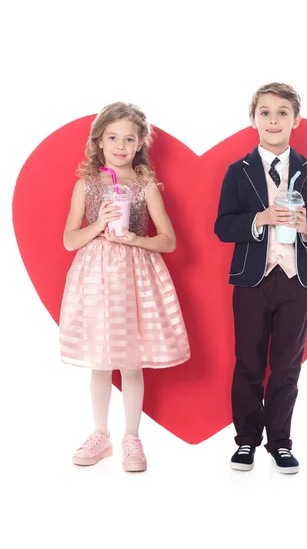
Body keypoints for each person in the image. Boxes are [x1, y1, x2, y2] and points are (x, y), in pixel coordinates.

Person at [60, 102, 190, 471]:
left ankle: (131, 437)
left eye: (128, 139)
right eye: (112, 137)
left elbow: (169, 240)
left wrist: (136, 239)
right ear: (99, 141)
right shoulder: (85, 185)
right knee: (101, 360)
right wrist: (99, 223)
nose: (120, 145)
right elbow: (70, 240)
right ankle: (100, 435)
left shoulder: (145, 185)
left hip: (135, 274)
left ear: (139, 144)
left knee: (132, 361)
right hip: (97, 277)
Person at [214, 83, 307, 474]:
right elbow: (222, 225)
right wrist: (259, 219)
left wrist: (306, 230)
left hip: (297, 280)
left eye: (282, 112)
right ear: (253, 120)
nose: (273, 120)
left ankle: (280, 443)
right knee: (248, 362)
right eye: (265, 112)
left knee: (287, 366)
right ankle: (246, 441)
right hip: (252, 280)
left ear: (295, 120)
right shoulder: (238, 171)